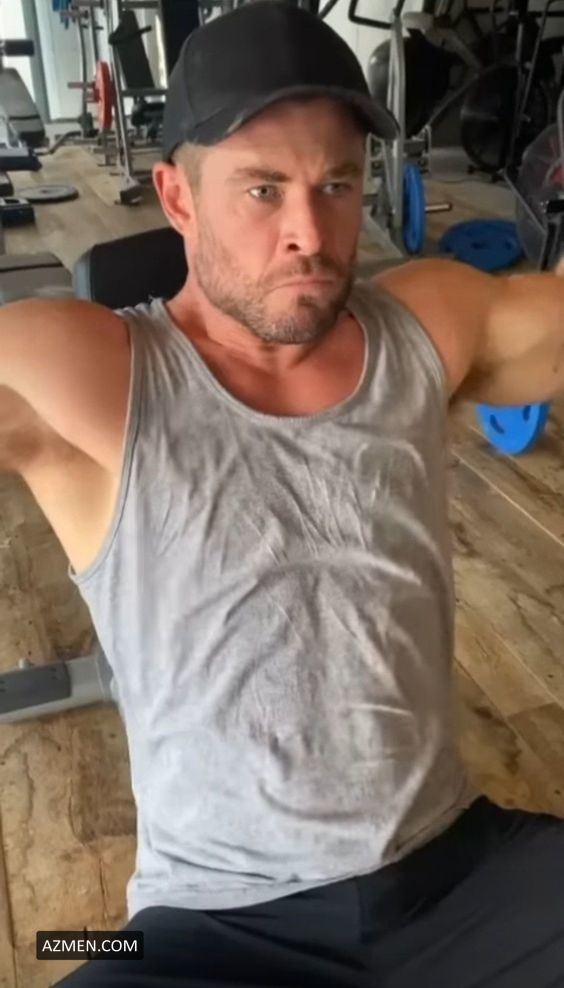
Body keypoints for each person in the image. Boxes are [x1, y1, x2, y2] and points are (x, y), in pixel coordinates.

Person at [1, 2, 562, 985]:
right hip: (207, 929)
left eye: (335, 184)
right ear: (177, 196)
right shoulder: (90, 372)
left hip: (456, 875)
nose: (309, 232)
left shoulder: (426, 327)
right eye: (262, 189)